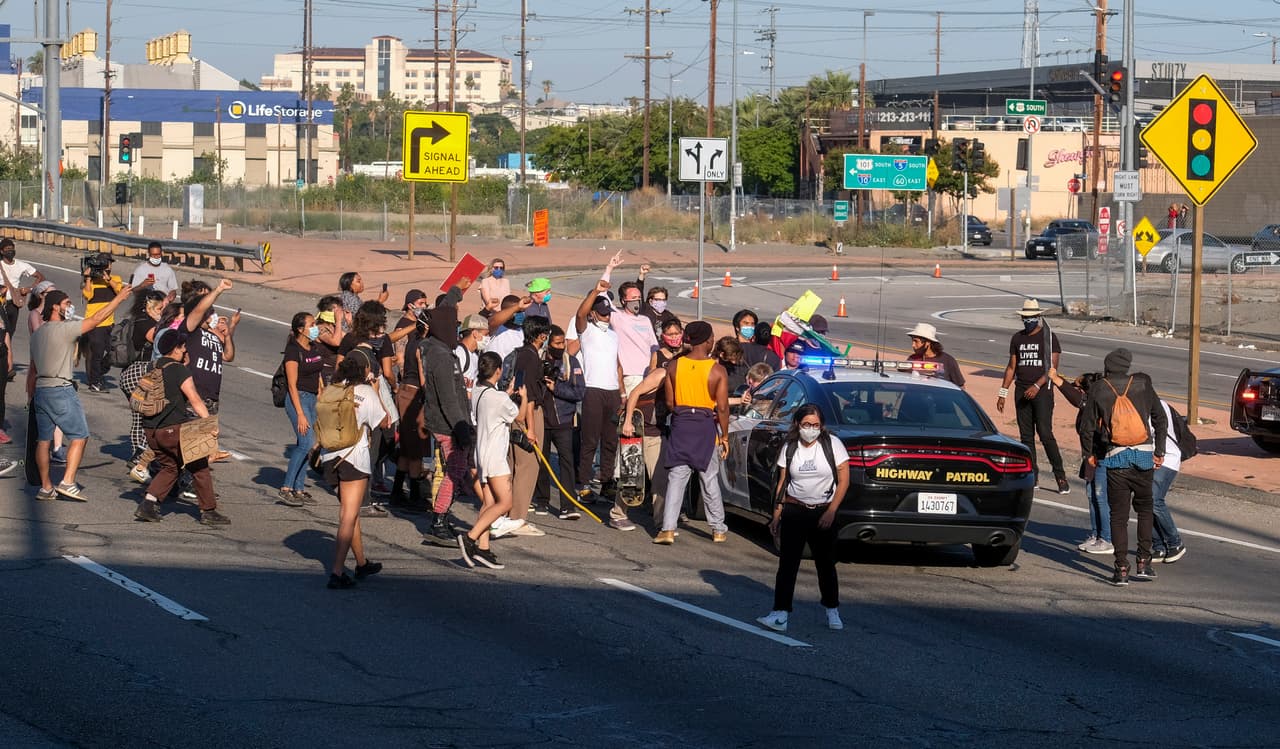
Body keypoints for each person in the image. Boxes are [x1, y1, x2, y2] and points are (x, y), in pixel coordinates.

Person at [29, 283, 139, 501]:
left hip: (41, 390)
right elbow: (96, 319)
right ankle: (68, 482)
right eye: (67, 303)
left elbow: (33, 369)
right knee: (80, 436)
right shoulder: (65, 329)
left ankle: (46, 487)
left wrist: (31, 394)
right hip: (61, 389)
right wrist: (119, 299)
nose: (70, 307)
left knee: (43, 440)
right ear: (55, 307)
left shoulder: (38, 333)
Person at [757, 405, 850, 633]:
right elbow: (782, 483)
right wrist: (776, 516)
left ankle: (832, 609)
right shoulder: (789, 447)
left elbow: (844, 480)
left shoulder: (832, 444)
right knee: (787, 565)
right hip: (795, 510)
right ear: (798, 424)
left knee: (825, 564)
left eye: (816, 425)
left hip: (823, 511)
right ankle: (780, 613)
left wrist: (831, 511)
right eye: (807, 424)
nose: (811, 429)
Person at [1078, 348, 1167, 587]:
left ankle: (1121, 569)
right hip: (1144, 457)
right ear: (1127, 366)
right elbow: (1160, 418)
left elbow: (1087, 427)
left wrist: (1089, 455)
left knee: (1118, 516)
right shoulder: (1142, 384)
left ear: (1107, 366)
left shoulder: (1099, 388)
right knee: (1145, 510)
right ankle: (1144, 562)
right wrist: (1159, 451)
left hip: (1115, 458)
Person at [130, 329, 232, 526]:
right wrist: (209, 424)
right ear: (175, 349)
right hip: (174, 430)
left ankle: (148, 505)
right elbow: (194, 399)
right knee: (199, 467)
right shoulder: (179, 370)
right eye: (183, 347)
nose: (186, 350)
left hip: (152, 431)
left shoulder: (153, 366)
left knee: (170, 467)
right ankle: (208, 511)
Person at [653, 320, 730, 545]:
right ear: (706, 341)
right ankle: (718, 529)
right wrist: (724, 436)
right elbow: (722, 408)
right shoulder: (717, 370)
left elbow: (670, 402)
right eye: (712, 337)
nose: (713, 341)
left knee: (677, 478)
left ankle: (668, 529)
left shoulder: (675, 366)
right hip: (705, 426)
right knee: (709, 478)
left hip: (681, 423)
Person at [317, 356, 387, 589]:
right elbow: (384, 421)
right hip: (354, 459)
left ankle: (361, 562)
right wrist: (375, 390)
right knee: (348, 515)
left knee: (351, 512)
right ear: (364, 371)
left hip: (330, 458)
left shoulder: (333, 389)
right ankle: (337, 572)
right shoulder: (365, 392)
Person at [458, 351, 530, 570]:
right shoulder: (499, 399)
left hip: (481, 454)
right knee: (505, 503)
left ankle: (483, 547)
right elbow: (519, 417)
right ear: (498, 371)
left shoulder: (479, 391)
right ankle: (470, 538)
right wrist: (524, 397)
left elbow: (495, 404)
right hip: (496, 457)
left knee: (488, 503)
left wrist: (506, 394)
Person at [996, 299, 1069, 494]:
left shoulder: (1049, 338)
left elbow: (1052, 368)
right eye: (1025, 318)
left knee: (1045, 434)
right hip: (1021, 391)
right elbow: (1011, 367)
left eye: (1031, 318)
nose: (1027, 321)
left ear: (1038, 317)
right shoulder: (1017, 338)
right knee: (1026, 436)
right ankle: (1033, 475)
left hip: (1042, 392)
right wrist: (1003, 392)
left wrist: (1037, 385)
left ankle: (1060, 476)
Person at [489, 314, 552, 538]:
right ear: (541, 335)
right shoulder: (531, 357)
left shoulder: (520, 353)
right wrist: (531, 428)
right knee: (527, 467)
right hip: (526, 415)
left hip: (512, 413)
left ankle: (504, 515)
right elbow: (529, 395)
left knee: (512, 465)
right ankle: (517, 518)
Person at [574, 280, 630, 526]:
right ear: (594, 314)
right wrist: (596, 291)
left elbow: (617, 365)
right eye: (602, 313)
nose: (606, 317)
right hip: (593, 390)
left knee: (610, 441)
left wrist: (623, 393)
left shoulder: (614, 336)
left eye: (609, 314)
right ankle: (583, 484)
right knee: (590, 440)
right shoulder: (586, 331)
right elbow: (580, 313)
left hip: (612, 391)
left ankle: (606, 481)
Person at [422, 302, 473, 542]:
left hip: (451, 423)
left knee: (455, 472)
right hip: (448, 426)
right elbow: (448, 399)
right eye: (453, 326)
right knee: (454, 473)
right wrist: (461, 428)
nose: (456, 330)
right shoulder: (441, 358)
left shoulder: (440, 350)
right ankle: (439, 520)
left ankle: (441, 517)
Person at [1047, 369, 1112, 555]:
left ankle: (1106, 538)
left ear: (1084, 390)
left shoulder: (1093, 404)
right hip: (1091, 455)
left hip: (1102, 456)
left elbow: (1075, 398)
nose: (1075, 388)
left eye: (1077, 386)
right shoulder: (1088, 406)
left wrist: (1056, 379)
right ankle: (1096, 535)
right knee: (1092, 495)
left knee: (1100, 496)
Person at [278, 311, 326, 507]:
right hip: (298, 399)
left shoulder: (314, 347)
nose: (315, 328)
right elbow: (292, 385)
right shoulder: (293, 351)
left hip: (313, 399)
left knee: (307, 443)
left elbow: (318, 373)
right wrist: (300, 414)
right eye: (311, 325)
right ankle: (286, 488)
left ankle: (299, 488)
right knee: (305, 444)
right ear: (300, 329)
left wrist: (321, 393)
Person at [120, 289, 168, 481]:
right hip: (138, 372)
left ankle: (141, 458)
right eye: (160, 308)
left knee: (142, 418)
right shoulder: (143, 322)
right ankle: (140, 458)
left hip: (140, 373)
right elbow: (161, 340)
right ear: (149, 307)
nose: (162, 312)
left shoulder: (146, 320)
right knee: (150, 416)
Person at [388, 308, 432, 514]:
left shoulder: (413, 341)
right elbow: (423, 378)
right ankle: (414, 494)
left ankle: (397, 491)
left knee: (407, 447)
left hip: (406, 392)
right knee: (416, 448)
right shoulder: (422, 346)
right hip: (414, 395)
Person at [539, 325, 586, 520]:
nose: (561, 346)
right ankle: (541, 500)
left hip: (564, 421)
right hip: (541, 420)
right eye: (557, 343)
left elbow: (580, 392)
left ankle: (568, 505)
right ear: (547, 343)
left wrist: (556, 388)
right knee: (541, 462)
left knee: (567, 463)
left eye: (562, 343)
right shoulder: (537, 360)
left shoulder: (571, 362)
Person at [80, 253, 125, 392]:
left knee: (112, 352)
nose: (107, 265)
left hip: (109, 323)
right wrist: (88, 278)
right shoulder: (92, 280)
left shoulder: (115, 278)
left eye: (108, 263)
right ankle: (95, 382)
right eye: (104, 262)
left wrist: (108, 279)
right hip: (94, 323)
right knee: (97, 354)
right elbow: (87, 295)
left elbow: (120, 291)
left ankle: (98, 374)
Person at [1150, 399, 1187, 564]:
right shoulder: (1142, 402)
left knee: (1154, 499)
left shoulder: (1154, 405)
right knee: (1144, 502)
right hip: (1150, 458)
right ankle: (1159, 546)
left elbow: (1156, 430)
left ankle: (1175, 542)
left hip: (1166, 458)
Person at [0, 238, 43, 334]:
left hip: (13, 303)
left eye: (12, 248)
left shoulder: (21, 265)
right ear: (2, 251)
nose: (10, 251)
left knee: (10, 331)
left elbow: (40, 277)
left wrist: (29, 289)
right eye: (7, 249)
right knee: (2, 332)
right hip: (1, 303)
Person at [905, 322, 965, 388]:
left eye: (916, 341)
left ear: (928, 342)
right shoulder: (912, 359)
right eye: (912, 341)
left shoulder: (948, 361)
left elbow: (960, 386)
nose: (913, 345)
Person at [483, 295, 532, 361]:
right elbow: (493, 321)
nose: (521, 314)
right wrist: (517, 306)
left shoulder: (522, 330)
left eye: (522, 311)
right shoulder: (496, 328)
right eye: (517, 311)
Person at [455, 313, 488, 392]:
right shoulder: (459, 353)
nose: (487, 338)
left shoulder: (474, 356)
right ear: (475, 333)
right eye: (485, 334)